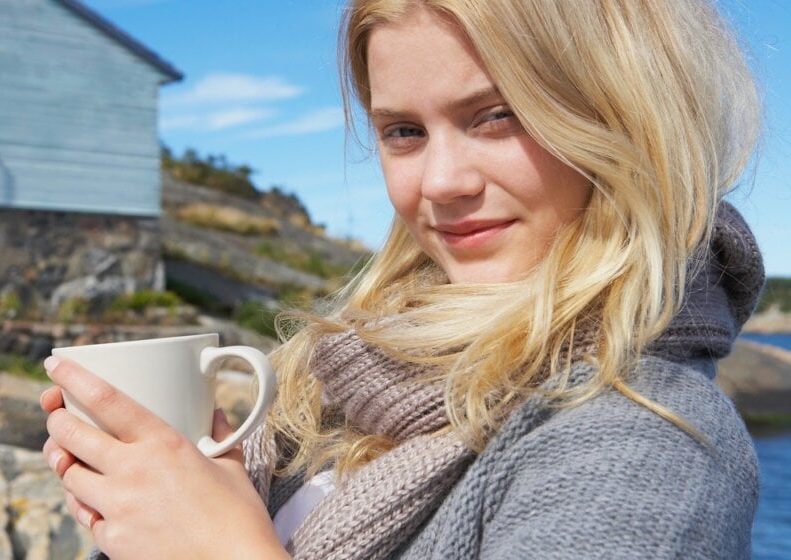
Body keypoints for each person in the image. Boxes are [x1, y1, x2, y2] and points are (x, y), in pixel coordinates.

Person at [39, 0, 765, 557]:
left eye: (497, 116)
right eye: (404, 132)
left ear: (626, 119)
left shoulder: (647, 437)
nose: (441, 183)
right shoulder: (342, 386)